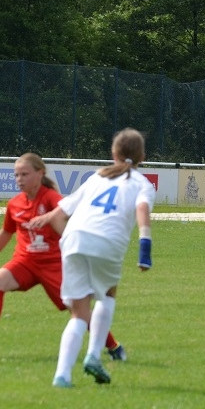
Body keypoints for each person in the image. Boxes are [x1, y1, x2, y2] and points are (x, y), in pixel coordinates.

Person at [0, 152, 127, 360]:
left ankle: (114, 346)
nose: (19, 179)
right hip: (25, 262)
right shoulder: (14, 204)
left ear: (40, 173)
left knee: (76, 308)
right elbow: (6, 231)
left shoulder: (51, 198)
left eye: (24, 174)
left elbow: (72, 218)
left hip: (54, 264)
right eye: (16, 175)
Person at [26, 129, 154, 388]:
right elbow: (141, 209)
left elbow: (62, 211)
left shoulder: (98, 176)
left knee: (78, 313)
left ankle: (62, 376)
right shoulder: (142, 184)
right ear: (142, 157)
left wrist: (49, 220)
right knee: (107, 294)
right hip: (107, 241)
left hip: (74, 240)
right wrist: (145, 246)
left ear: (114, 153)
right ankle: (94, 356)